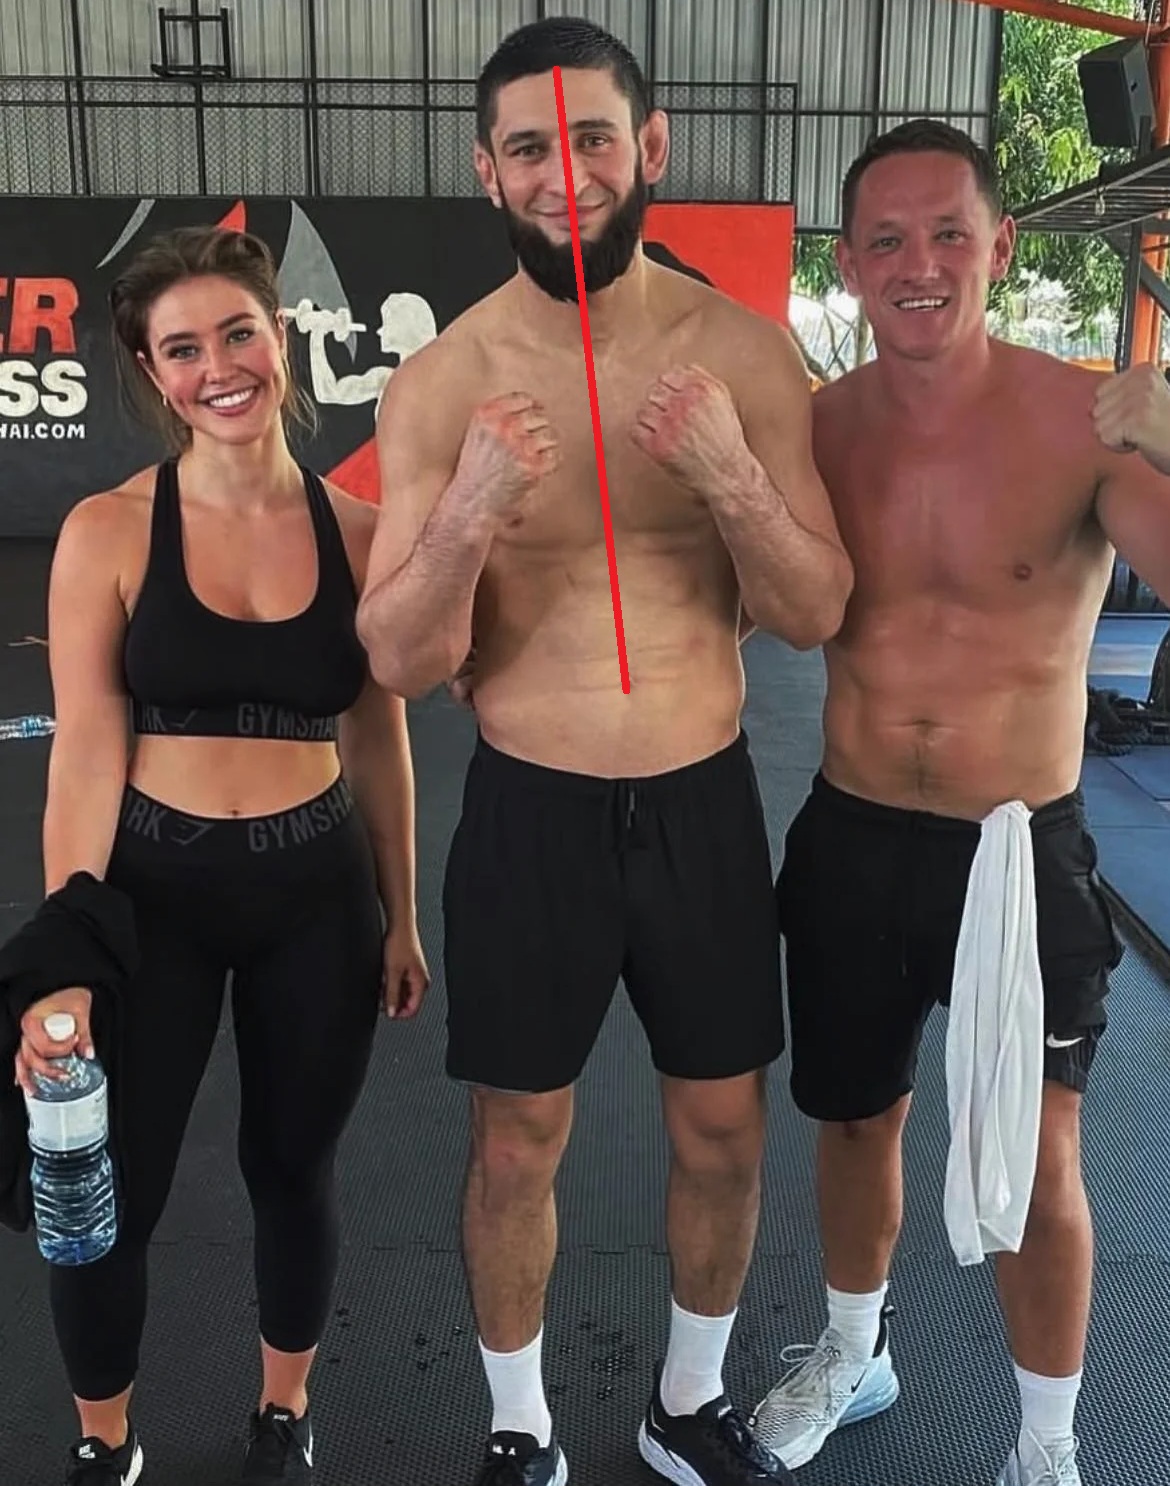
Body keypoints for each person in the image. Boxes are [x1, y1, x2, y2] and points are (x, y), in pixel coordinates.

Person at [355, 16, 852, 1486]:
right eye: (528, 146)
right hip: (531, 812)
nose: (561, 172)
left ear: (651, 146)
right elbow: (398, 657)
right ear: (486, 171)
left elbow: (813, 609)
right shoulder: (441, 382)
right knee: (517, 1139)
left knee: (723, 1130)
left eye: (589, 138)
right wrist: (466, 512)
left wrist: (730, 477)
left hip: (701, 801)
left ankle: (685, 1402)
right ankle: (520, 1425)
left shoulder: (745, 354)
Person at [752, 120, 1170, 1486]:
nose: (917, 263)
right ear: (848, 264)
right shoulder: (815, 431)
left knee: (1037, 1155)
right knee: (852, 1115)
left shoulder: (1087, 419)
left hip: (1016, 849)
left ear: (1000, 246)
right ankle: (852, 1349)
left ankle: (1044, 1444)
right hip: (852, 826)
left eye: (947, 233)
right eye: (885, 239)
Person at [12, 225, 429, 1486]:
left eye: (237, 333)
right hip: (154, 896)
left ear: (279, 337)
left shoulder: (362, 532)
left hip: (317, 895)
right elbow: (85, 755)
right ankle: (105, 1440)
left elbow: (380, 735)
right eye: (182, 349)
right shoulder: (108, 530)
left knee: (292, 1168)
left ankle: (283, 1414)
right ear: (152, 371)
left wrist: (402, 913)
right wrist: (64, 957)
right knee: (113, 1187)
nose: (218, 368)